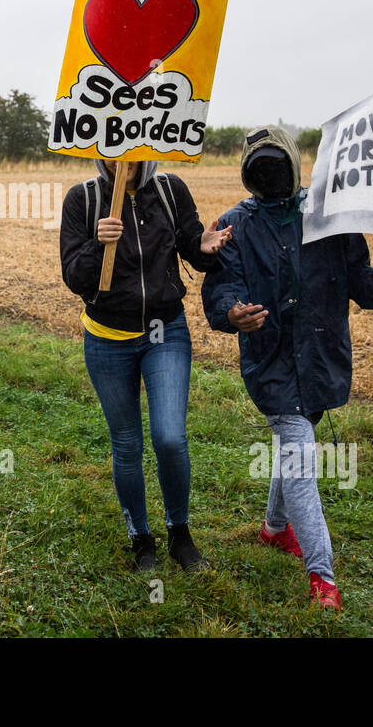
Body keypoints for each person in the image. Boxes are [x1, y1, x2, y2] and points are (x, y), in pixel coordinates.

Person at [201, 126, 373, 609]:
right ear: (248, 172)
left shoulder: (331, 215)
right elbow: (221, 287)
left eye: (278, 164)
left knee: (294, 444)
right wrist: (232, 312)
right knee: (300, 458)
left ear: (295, 166)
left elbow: (359, 278)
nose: (271, 173)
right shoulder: (235, 224)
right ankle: (323, 576)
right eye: (261, 166)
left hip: (321, 358)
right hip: (271, 361)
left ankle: (274, 529)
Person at [60, 159, 231, 573]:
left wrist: (205, 248)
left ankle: (180, 535)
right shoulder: (82, 199)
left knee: (170, 438)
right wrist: (96, 243)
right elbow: (73, 276)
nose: (126, 161)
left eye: (135, 149)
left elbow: (193, 248)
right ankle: (141, 539)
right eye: (116, 149)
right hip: (106, 339)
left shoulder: (171, 190)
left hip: (164, 331)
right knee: (127, 445)